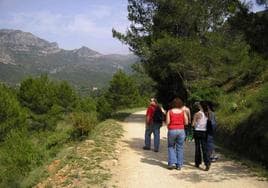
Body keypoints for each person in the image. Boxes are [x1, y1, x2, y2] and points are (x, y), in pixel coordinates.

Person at [166, 97, 188, 170]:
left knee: (171, 146)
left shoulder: (170, 112)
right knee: (180, 147)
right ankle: (179, 165)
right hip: (181, 130)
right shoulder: (183, 112)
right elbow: (186, 122)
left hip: (172, 130)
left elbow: (167, 122)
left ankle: (171, 162)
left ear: (173, 104)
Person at [192, 101, 210, 171]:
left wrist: (195, 123)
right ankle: (207, 163)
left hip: (197, 131)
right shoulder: (207, 114)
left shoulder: (197, 114)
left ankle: (197, 162)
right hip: (204, 132)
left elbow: (193, 124)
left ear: (200, 106)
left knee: (197, 147)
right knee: (204, 148)